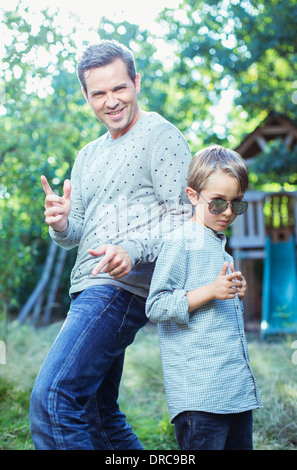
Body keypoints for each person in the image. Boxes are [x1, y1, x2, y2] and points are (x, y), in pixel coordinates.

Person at [30, 40, 192, 450]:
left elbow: (184, 219)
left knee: (53, 399)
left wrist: (134, 249)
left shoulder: (161, 135)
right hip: (87, 285)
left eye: (119, 88)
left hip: (120, 290)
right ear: (86, 96)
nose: (111, 101)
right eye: (99, 93)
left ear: (136, 82)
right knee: (98, 417)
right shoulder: (87, 155)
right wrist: (63, 222)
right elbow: (77, 233)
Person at [146, 145, 262, 450]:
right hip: (201, 395)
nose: (227, 212)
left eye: (236, 204)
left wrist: (235, 292)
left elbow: (218, 308)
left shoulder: (220, 248)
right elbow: (156, 306)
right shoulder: (180, 242)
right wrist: (211, 291)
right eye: (218, 203)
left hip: (234, 389)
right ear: (193, 195)